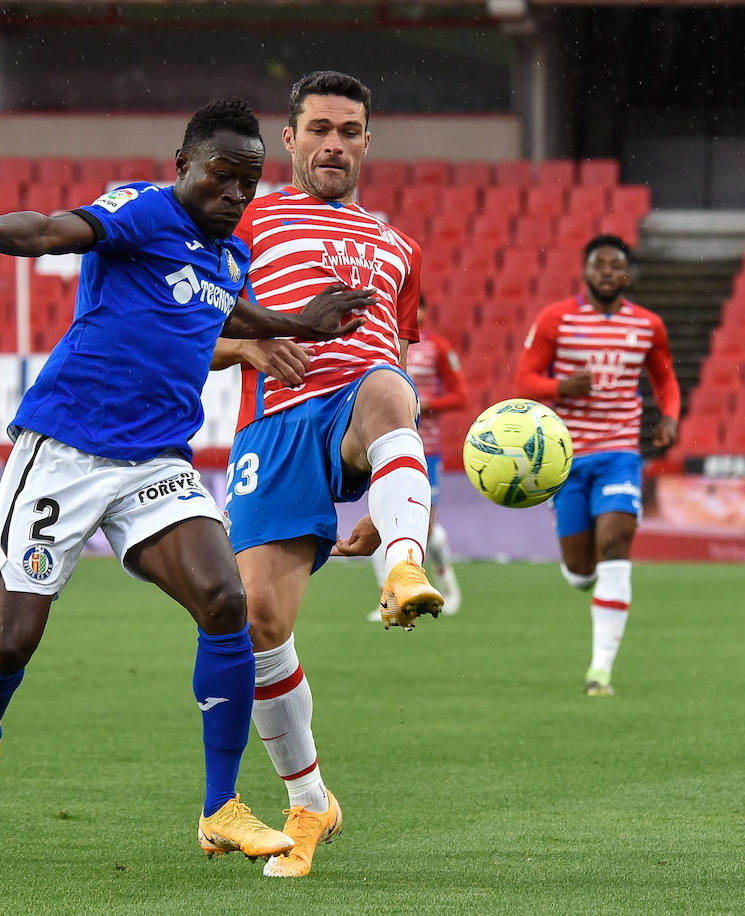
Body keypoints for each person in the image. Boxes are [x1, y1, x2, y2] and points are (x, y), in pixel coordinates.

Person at [0, 99, 373, 862]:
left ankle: (220, 805)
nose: (234, 195)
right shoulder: (141, 210)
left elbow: (229, 312)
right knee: (11, 643)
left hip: (157, 460)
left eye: (248, 184)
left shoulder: (230, 257)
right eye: (221, 178)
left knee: (225, 599)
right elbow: (53, 231)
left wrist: (299, 323)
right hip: (64, 447)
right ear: (182, 168)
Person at [211, 70, 440, 879]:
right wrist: (247, 347)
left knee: (384, 384)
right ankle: (310, 802)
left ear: (368, 142)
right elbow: (182, 332)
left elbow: (400, 363)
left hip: (358, 410)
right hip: (273, 427)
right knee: (260, 624)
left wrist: (390, 498)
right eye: (319, 129)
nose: (334, 144)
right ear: (291, 138)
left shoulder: (399, 247)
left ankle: (405, 563)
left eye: (349, 130)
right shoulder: (246, 223)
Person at [513, 235, 680, 698]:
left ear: (627, 275)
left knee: (616, 542)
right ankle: (584, 577)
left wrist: (668, 418)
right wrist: (560, 387)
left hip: (620, 453)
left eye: (615, 265)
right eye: (599, 264)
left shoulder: (647, 325)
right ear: (585, 271)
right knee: (580, 570)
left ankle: (600, 671)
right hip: (566, 457)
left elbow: (664, 377)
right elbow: (524, 380)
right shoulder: (556, 319)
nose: (607, 271)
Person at [366, 296, 467, 620]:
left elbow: (460, 395)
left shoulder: (436, 347)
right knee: (384, 524)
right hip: (381, 447)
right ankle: (390, 599)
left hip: (427, 448)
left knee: (423, 529)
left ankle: (448, 585)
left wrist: (423, 402)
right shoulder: (374, 345)